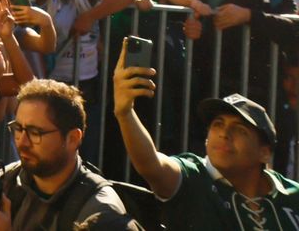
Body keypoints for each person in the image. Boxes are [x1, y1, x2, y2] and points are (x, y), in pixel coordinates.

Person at [113, 39, 299, 229]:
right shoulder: (193, 177)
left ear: (264, 153)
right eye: (217, 124)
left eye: (239, 129)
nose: (224, 133)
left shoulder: (293, 196)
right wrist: (125, 113)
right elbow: (151, 164)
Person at [0, 79, 136, 230]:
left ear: (73, 138)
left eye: (35, 133)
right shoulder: (9, 181)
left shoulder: (99, 212)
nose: (22, 142)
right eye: (18, 128)